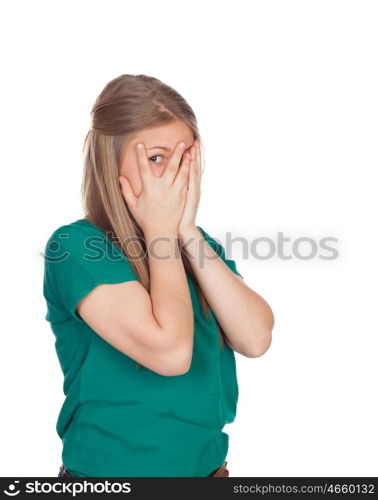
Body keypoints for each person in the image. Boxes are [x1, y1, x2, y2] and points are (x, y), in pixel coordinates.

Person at [43, 74, 274, 477]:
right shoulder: (75, 247)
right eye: (156, 158)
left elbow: (256, 338)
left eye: (185, 160)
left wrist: (183, 232)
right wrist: (163, 234)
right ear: (110, 161)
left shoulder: (194, 246)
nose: (175, 174)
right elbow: (170, 354)